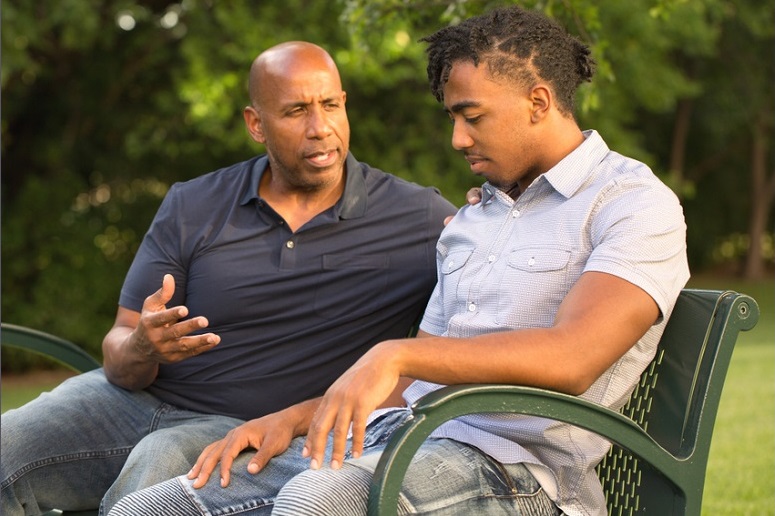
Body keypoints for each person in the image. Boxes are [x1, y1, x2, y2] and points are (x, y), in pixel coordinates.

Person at [108, 6, 690, 516]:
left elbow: (575, 356)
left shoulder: (630, 204)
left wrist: (396, 351)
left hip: (518, 475)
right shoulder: (476, 218)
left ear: (538, 101)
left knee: (318, 500)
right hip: (400, 439)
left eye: (473, 116)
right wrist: (294, 417)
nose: (458, 139)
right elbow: (412, 385)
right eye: (453, 120)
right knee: (159, 504)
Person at [0, 41, 457, 516]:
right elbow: (118, 348)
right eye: (296, 111)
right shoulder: (193, 204)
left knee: (158, 468)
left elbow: (472, 317)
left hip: (248, 427)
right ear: (256, 124)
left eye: (330, 105)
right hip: (125, 403)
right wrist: (142, 346)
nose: (320, 128)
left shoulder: (418, 218)